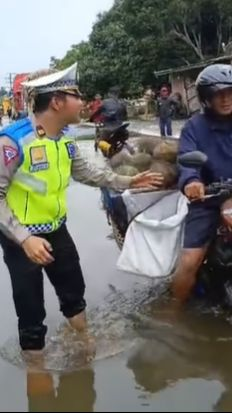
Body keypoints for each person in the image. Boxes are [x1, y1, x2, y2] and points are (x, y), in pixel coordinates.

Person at [0, 62, 164, 356]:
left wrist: (130, 180)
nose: (84, 102)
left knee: (74, 292)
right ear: (58, 101)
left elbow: (89, 173)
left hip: (57, 229)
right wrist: (24, 238)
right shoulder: (13, 141)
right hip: (20, 239)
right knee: (30, 310)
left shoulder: (65, 139)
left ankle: (85, 342)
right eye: (77, 95)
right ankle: (36, 373)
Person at [173, 64, 232, 305]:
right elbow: (187, 160)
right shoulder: (195, 127)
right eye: (219, 94)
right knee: (189, 261)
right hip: (209, 198)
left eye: (230, 92)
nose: (226, 99)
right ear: (206, 97)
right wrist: (192, 182)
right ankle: (173, 311)